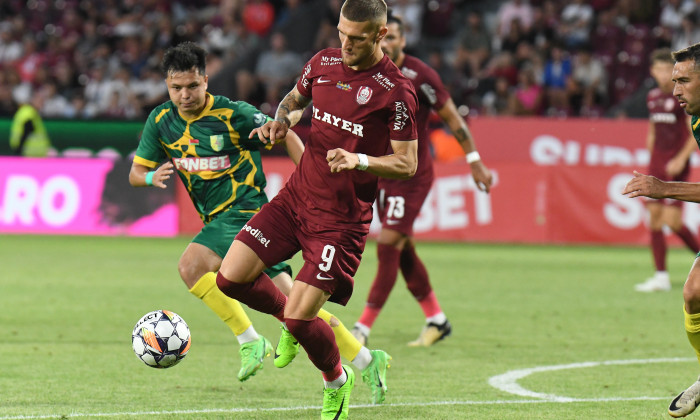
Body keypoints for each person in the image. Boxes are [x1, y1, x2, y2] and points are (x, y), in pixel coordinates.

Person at [128, 42, 393, 405]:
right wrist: (148, 178)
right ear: (167, 85)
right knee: (294, 308)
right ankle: (365, 359)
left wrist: (312, 187)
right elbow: (134, 173)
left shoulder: (233, 114)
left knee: (191, 265)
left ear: (206, 80)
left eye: (193, 86)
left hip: (247, 211)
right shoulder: (161, 121)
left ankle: (250, 340)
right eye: (176, 88)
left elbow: (288, 134)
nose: (185, 95)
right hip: (218, 219)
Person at [214, 1, 419, 418]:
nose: (345, 43)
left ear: (380, 36)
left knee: (300, 318)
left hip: (339, 223)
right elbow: (293, 99)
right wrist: (281, 122)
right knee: (229, 280)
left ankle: (336, 381)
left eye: (357, 38)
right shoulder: (323, 62)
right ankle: (292, 321)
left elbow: (407, 162)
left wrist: (359, 160)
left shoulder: (396, 91)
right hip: (295, 199)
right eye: (342, 33)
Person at [349, 12, 493, 348]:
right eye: (383, 38)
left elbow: (452, 117)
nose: (388, 43)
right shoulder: (366, 72)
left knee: (388, 246)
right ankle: (437, 319)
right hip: (381, 172)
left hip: (411, 175)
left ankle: (362, 327)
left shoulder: (420, 75)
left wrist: (473, 160)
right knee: (403, 248)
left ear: (402, 40)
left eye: (394, 37)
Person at [622, 41, 700, 418]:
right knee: (694, 293)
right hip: (661, 169)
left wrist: (665, 185)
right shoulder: (696, 117)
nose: (675, 90)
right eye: (673, 80)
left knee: (669, 220)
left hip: (670, 174)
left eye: (683, 80)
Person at [634, 48, 699, 293]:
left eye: (667, 71)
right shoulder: (652, 97)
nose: (663, 76)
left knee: (672, 222)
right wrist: (651, 157)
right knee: (654, 219)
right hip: (657, 162)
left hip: (675, 163)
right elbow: (653, 129)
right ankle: (660, 275)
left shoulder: (685, 99)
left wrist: (682, 158)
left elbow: (692, 133)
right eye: (659, 70)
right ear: (652, 71)